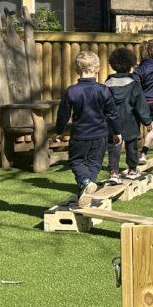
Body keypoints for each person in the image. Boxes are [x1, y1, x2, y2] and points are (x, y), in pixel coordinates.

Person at [53, 50, 121, 199]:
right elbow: (112, 114)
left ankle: (85, 182)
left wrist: (59, 130)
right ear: (97, 69)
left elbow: (63, 114)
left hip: (80, 135)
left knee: (76, 161)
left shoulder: (72, 91)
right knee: (94, 163)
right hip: (100, 135)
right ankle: (87, 187)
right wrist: (117, 132)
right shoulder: (104, 90)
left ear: (77, 69)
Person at [105, 47, 152, 177]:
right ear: (131, 65)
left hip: (112, 122)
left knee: (114, 146)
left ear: (113, 64)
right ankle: (132, 169)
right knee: (132, 146)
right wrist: (147, 121)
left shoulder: (107, 84)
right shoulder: (134, 84)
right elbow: (141, 105)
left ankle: (113, 172)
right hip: (130, 120)